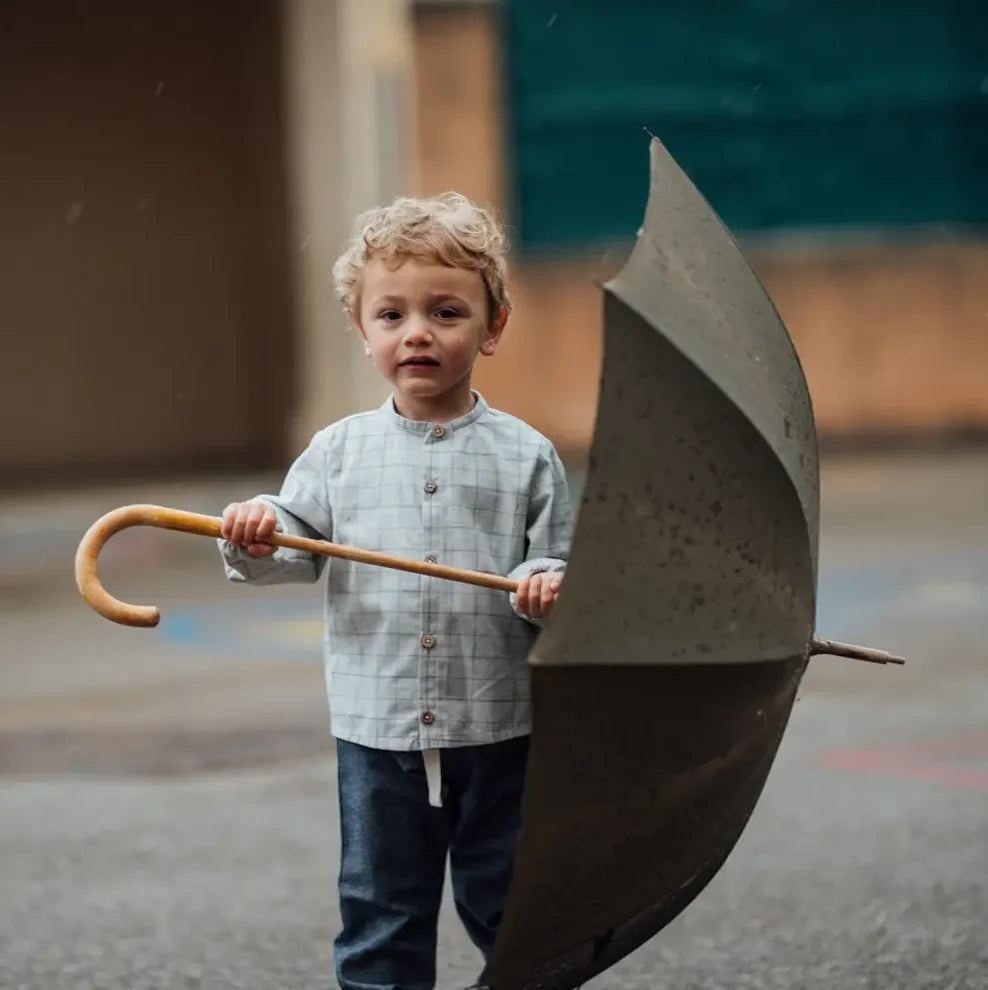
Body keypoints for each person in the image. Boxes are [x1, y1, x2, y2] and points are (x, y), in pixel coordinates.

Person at [217, 191, 573, 989]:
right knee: (382, 911)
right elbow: (292, 543)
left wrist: (544, 584)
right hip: (378, 732)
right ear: (363, 329)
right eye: (392, 315)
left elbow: (551, 563)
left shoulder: (527, 456)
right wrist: (257, 528)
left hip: (498, 725)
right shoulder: (337, 452)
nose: (418, 332)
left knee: (514, 908)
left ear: (494, 326)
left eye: (446, 311)